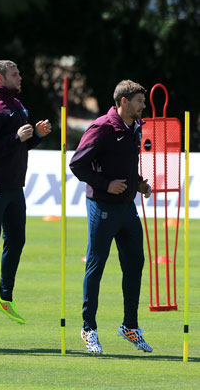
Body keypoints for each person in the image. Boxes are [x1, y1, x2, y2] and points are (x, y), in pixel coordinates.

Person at [69, 80, 153, 354]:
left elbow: (126, 163)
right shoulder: (102, 127)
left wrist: (138, 182)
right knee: (96, 266)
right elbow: (77, 163)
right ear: (124, 101)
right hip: (102, 205)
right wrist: (106, 184)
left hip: (127, 207)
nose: (143, 105)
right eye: (139, 100)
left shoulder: (135, 128)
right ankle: (88, 328)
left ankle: (130, 326)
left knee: (135, 264)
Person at [0, 60, 52, 327]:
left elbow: (20, 147)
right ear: (0, 77)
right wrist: (17, 137)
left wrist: (35, 136)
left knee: (16, 241)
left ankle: (4, 297)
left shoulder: (17, 106)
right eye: (15, 74)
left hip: (15, 184)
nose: (21, 77)